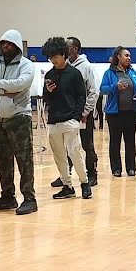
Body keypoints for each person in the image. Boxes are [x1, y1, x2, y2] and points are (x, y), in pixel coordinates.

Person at [0, 29, 38, 216]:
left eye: (9, 43)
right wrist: (5, 87)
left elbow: (21, 84)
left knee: (24, 160)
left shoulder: (27, 65)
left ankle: (29, 199)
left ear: (16, 45)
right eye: (2, 43)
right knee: (3, 160)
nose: (5, 46)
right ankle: (7, 196)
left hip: (19, 117)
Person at [42, 36, 92, 200]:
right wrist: (48, 92)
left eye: (55, 56)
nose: (53, 60)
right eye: (50, 57)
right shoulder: (49, 74)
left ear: (64, 54)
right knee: (59, 156)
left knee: (74, 152)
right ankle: (67, 185)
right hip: (53, 120)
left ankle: (84, 183)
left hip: (70, 120)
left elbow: (81, 96)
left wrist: (77, 116)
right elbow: (45, 99)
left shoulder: (75, 73)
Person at [50, 36, 99, 187]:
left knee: (85, 144)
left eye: (67, 46)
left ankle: (91, 173)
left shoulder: (86, 67)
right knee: (66, 146)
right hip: (67, 114)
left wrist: (85, 112)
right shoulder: (61, 68)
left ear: (75, 49)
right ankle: (66, 174)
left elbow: (94, 91)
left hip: (83, 114)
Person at [99, 46, 136, 177]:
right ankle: (116, 169)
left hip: (131, 112)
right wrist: (115, 87)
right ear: (118, 57)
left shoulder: (133, 72)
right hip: (115, 114)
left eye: (129, 56)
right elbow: (103, 89)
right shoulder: (109, 73)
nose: (129, 58)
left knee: (130, 141)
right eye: (126, 55)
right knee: (115, 141)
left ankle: (131, 168)